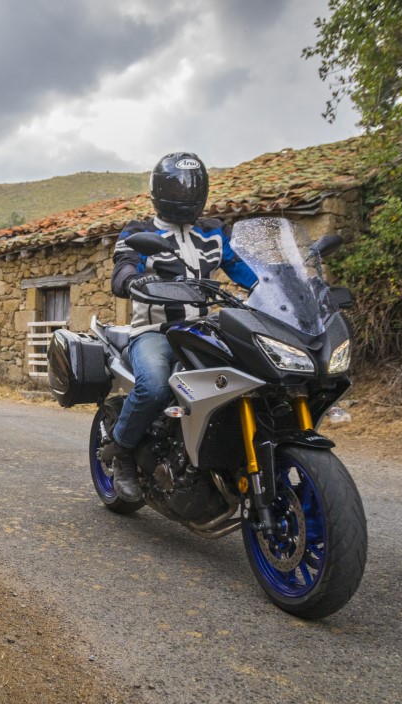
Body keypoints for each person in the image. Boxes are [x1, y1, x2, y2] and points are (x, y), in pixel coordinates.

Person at [105, 152, 257, 502]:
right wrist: (132, 280)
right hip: (155, 333)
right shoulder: (138, 231)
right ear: (160, 190)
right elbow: (123, 268)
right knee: (155, 386)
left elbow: (247, 272)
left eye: (191, 188)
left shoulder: (214, 232)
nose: (185, 194)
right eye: (178, 187)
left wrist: (278, 284)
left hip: (205, 331)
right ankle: (123, 451)